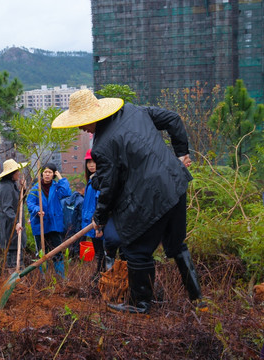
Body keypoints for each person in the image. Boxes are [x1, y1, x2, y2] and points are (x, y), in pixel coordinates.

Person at [52, 89, 204, 314]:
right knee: (176, 245)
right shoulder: (133, 110)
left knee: (135, 250)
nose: (81, 128)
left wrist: (100, 219)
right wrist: (181, 155)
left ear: (94, 117)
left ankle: (141, 304)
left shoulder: (101, 147)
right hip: (175, 183)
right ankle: (197, 298)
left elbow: (109, 188)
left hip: (150, 197)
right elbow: (173, 118)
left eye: (82, 122)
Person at [26, 163, 72, 278]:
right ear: (42, 173)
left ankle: (60, 275)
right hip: (40, 224)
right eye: (45, 172)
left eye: (50, 172)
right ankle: (43, 276)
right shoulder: (36, 188)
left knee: (57, 250)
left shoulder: (57, 187)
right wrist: (37, 209)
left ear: (53, 174)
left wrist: (61, 178)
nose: (47, 174)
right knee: (42, 252)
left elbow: (67, 193)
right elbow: (30, 202)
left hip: (54, 224)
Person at [0, 159, 28, 271]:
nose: (18, 173)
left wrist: (23, 190)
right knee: (13, 258)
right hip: (10, 226)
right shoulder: (5, 187)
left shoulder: (12, 185)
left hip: (15, 225)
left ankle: (18, 281)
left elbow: (19, 203)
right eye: (17, 171)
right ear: (11, 174)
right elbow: (7, 208)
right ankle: (14, 282)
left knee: (18, 256)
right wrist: (16, 223)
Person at [81, 148, 106, 281]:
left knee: (102, 252)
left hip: (97, 223)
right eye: (88, 162)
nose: (91, 165)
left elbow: (101, 203)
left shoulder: (99, 180)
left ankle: (101, 276)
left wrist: (99, 225)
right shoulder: (91, 180)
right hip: (91, 222)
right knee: (98, 252)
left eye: (93, 162)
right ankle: (99, 274)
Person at [60, 181, 84, 253]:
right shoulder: (82, 200)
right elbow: (81, 217)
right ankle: (75, 262)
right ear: (83, 189)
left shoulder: (65, 200)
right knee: (76, 248)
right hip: (76, 229)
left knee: (66, 247)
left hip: (65, 228)